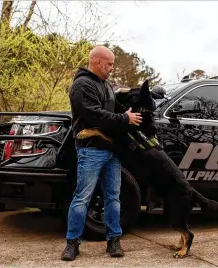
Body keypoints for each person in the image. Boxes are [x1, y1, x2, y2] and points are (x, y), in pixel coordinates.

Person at [61, 46, 142, 261]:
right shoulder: (82, 85)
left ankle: (114, 241)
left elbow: (111, 111)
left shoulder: (105, 86)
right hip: (91, 150)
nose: (112, 67)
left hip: (112, 151)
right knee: (82, 198)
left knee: (113, 198)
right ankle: (72, 244)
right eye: (109, 63)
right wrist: (125, 119)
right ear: (97, 61)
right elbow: (94, 116)